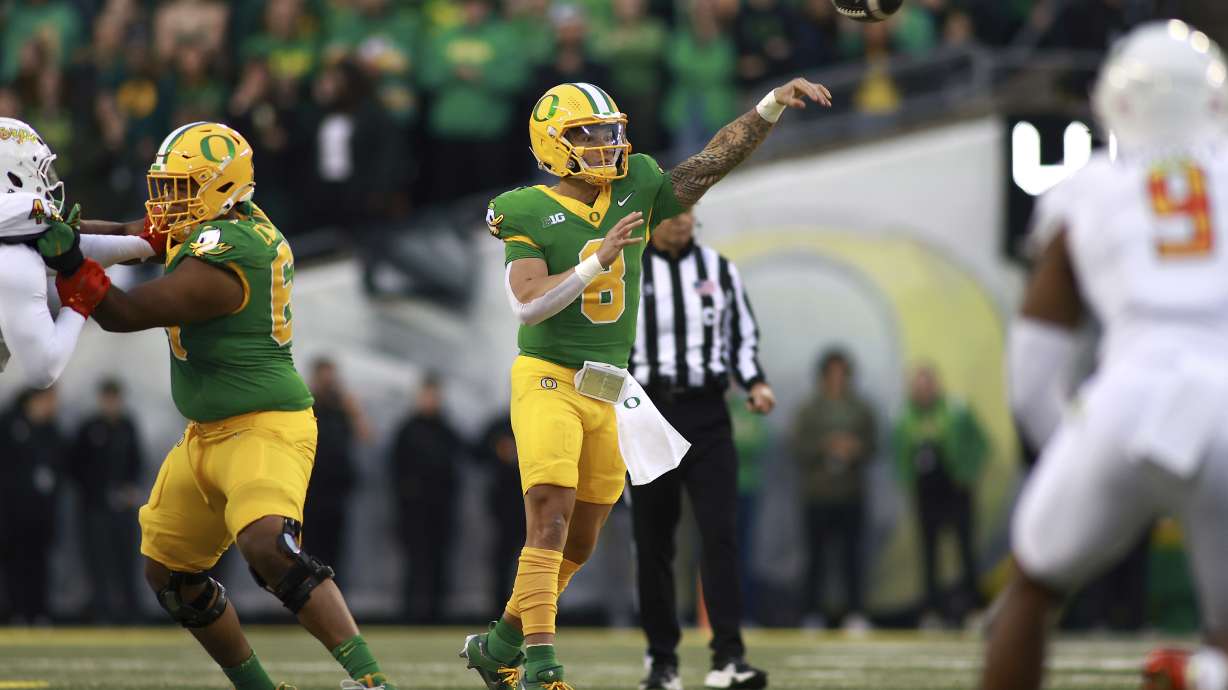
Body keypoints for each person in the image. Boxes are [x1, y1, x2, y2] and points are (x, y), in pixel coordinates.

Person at [461, 76, 830, 690]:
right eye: (588, 135)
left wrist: (768, 107)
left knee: (580, 540)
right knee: (549, 513)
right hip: (548, 377)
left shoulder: (638, 183)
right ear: (552, 144)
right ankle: (540, 666)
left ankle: (499, 643)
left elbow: (711, 163)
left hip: (610, 385)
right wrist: (595, 260)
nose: (606, 145)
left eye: (609, 132)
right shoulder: (523, 208)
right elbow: (527, 305)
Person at [43, 121, 397, 690]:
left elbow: (124, 314)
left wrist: (67, 264)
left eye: (181, 188)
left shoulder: (235, 251)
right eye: (166, 187)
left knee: (269, 547)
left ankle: (373, 681)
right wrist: (49, 229)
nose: (167, 202)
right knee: (171, 577)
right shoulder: (211, 224)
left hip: (264, 427)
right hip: (204, 434)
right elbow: (131, 235)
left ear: (223, 187)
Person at [980, 22, 1228, 690]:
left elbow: (1033, 373)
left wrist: (1077, 452)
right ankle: (1209, 672)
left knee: (1033, 585)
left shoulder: (1088, 186)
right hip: (1225, 398)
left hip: (1127, 395)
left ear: (1115, 102)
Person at [627, 209, 775, 690]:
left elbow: (742, 336)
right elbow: (607, 338)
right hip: (648, 413)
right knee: (654, 541)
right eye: (673, 211)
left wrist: (754, 381)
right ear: (652, 218)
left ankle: (728, 657)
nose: (683, 220)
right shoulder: (628, 268)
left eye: (689, 210)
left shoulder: (719, 269)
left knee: (720, 534)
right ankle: (662, 660)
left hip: (709, 412)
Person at [0, 117, 163, 388]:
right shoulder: (16, 253)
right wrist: (77, 306)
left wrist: (144, 244)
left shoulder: (17, 233)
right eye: (37, 170)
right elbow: (43, 370)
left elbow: (69, 244)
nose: (46, 181)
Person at [892, 364, 987, 627]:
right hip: (926, 493)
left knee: (965, 551)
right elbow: (899, 454)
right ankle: (932, 611)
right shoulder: (905, 417)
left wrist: (967, 472)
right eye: (918, 385)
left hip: (955, 490)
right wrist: (907, 479)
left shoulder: (956, 410)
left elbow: (981, 444)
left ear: (936, 385)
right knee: (929, 554)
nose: (923, 390)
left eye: (927, 384)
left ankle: (973, 609)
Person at [791, 349, 876, 631]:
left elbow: (874, 445)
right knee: (815, 558)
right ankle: (811, 613)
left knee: (852, 558)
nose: (837, 378)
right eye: (832, 373)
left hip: (851, 493)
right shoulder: (810, 409)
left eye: (842, 373)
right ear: (823, 376)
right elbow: (797, 447)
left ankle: (855, 612)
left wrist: (855, 448)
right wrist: (825, 446)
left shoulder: (860, 408)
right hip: (818, 495)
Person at [68, 378, 145, 623]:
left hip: (123, 507)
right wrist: (98, 492)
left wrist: (130, 489)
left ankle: (131, 612)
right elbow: (76, 467)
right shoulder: (89, 428)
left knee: (126, 560)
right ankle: (102, 611)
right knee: (98, 560)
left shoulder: (127, 426)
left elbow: (136, 461)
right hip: (96, 507)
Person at [391, 375, 464, 624]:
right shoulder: (407, 430)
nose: (431, 401)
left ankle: (437, 614)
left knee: (440, 561)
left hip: (442, 507)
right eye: (427, 395)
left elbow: (466, 453)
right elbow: (395, 470)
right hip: (414, 510)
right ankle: (411, 614)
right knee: (415, 562)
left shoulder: (446, 428)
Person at [0, 387, 63, 624]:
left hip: (42, 513)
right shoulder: (10, 424)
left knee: (40, 564)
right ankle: (17, 611)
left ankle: (39, 612)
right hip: (13, 512)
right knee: (15, 563)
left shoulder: (51, 430)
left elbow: (62, 464)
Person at [305, 358, 372, 574]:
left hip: (336, 491)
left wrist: (354, 410)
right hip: (311, 490)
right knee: (309, 553)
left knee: (334, 555)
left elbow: (366, 436)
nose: (328, 383)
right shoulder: (306, 408)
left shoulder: (342, 409)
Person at [481, 414, 527, 613]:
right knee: (503, 561)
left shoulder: (538, 420)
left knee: (537, 562)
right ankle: (500, 610)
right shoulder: (499, 426)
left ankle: (534, 610)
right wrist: (497, 450)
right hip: (506, 508)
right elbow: (478, 453)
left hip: (535, 505)